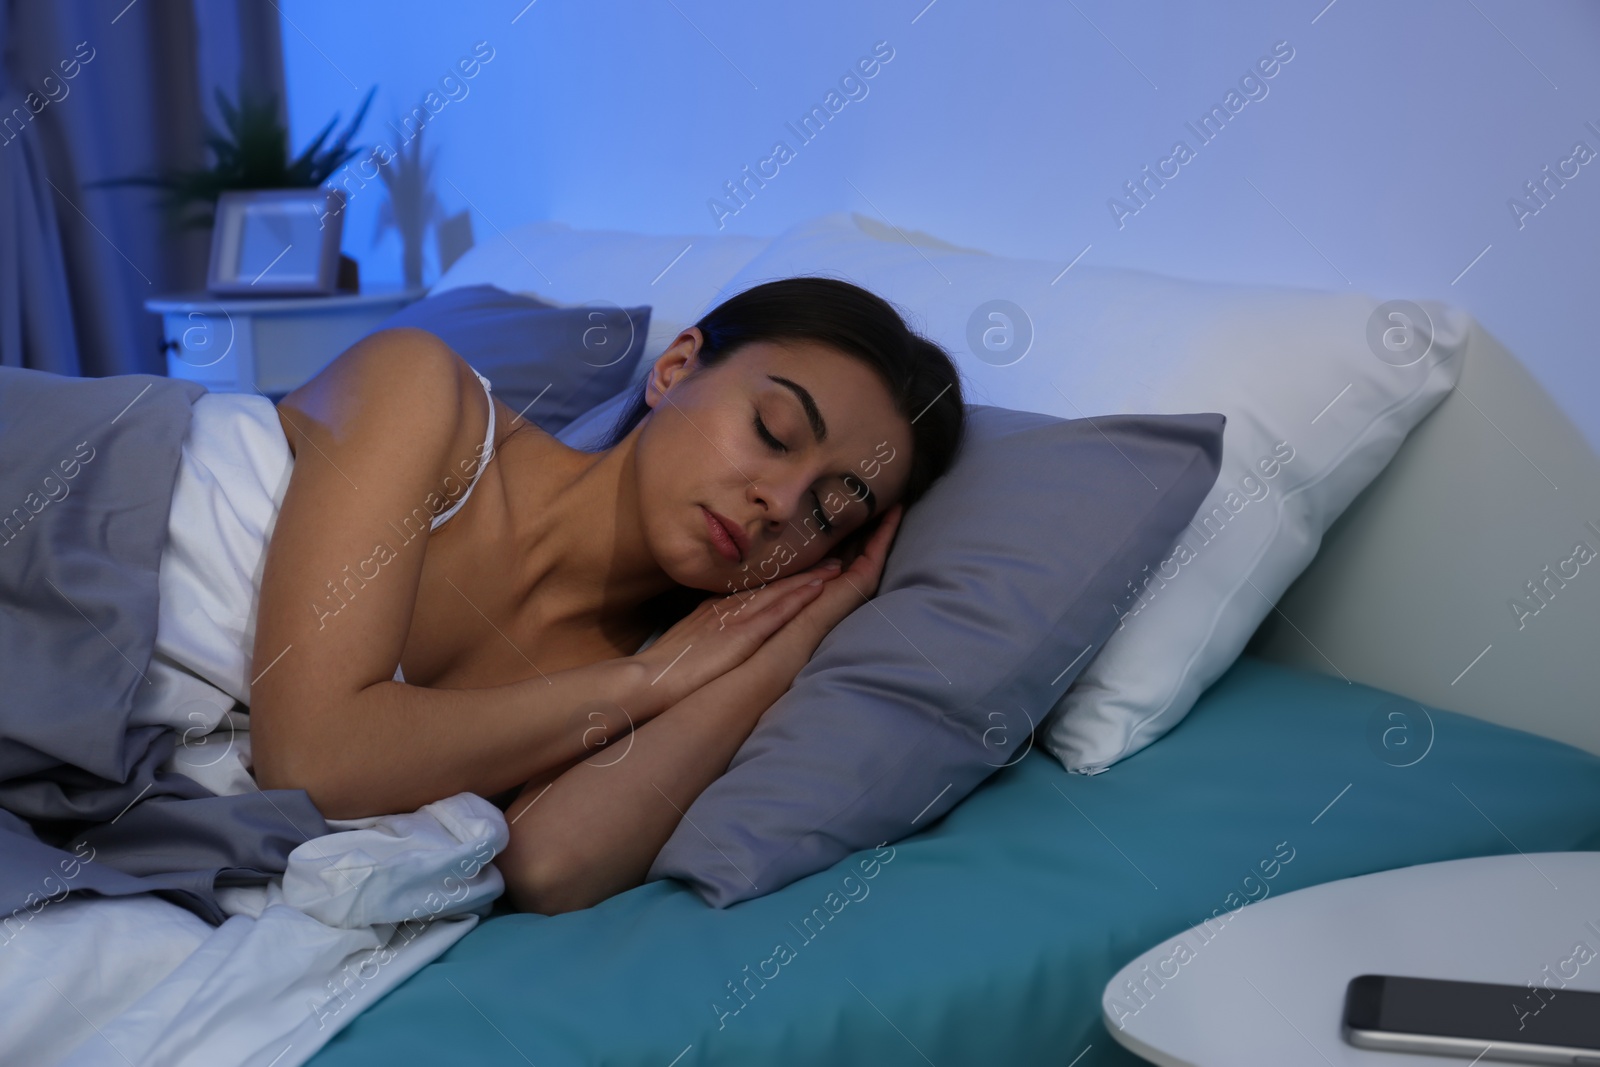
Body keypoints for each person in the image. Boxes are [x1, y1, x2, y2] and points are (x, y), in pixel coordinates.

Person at [249, 277, 966, 914]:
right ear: (676, 366)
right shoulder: (422, 391)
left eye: (827, 512)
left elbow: (547, 866)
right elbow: (313, 761)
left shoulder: (664, 671)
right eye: (772, 432)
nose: (779, 503)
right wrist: (643, 680)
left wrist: (795, 639)